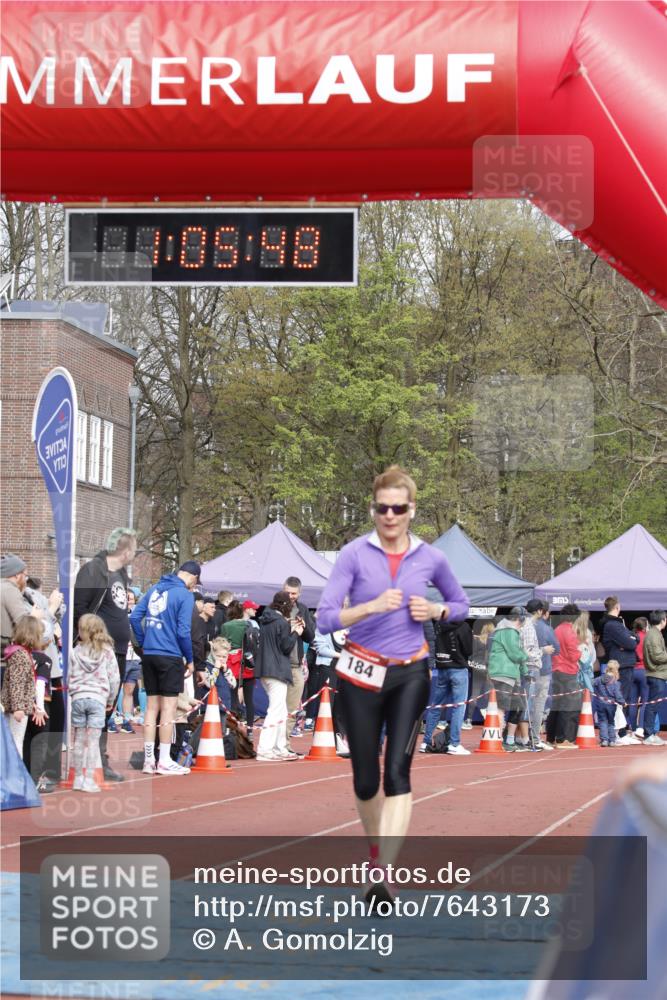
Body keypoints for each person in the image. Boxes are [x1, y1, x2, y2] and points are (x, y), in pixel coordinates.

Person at [317, 466, 469, 902]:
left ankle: (382, 875)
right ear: (373, 509)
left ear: (411, 510)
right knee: (366, 780)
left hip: (410, 673)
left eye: (398, 508)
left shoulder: (431, 558)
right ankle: (374, 855)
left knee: (397, 773)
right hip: (361, 671)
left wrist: (436, 611)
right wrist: (367, 608)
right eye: (382, 508)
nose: (389, 515)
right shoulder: (352, 555)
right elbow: (326, 618)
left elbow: (461, 604)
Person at [73, 528, 138, 780]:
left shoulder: (120, 575)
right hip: (98, 649)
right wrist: (90, 639)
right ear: (126, 551)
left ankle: (99, 759)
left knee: (108, 707)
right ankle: (90, 761)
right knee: (95, 705)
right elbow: (80, 607)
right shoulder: (94, 570)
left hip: (119, 650)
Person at [130, 560, 200, 776]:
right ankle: (164, 760)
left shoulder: (154, 588)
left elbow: (134, 617)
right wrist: (189, 658)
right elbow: (183, 630)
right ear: (193, 578)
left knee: (151, 708)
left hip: (150, 654)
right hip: (170, 655)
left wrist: (143, 643)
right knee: (168, 709)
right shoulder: (185, 595)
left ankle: (149, 760)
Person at [68, 614, 120, 793]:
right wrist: (111, 700)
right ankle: (89, 780)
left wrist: (73, 691)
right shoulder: (106, 651)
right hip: (98, 698)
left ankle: (77, 778)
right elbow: (114, 678)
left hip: (78, 697)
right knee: (93, 741)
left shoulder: (76, 650)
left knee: (79, 739)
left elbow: (69, 674)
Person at [255, 591, 304, 761]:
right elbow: (286, 647)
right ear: (285, 606)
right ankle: (265, 749)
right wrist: (296, 632)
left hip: (264, 670)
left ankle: (278, 747)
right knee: (276, 711)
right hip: (277, 670)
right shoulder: (281, 622)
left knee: (281, 710)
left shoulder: (266, 620)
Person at [420, 618, 473, 755]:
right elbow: (468, 649)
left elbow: (433, 642)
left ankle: (425, 742)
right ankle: (454, 744)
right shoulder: (463, 625)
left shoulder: (438, 624)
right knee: (459, 706)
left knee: (436, 706)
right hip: (458, 668)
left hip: (442, 668)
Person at [1, 616, 48, 759]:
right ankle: (16, 777)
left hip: (17, 704)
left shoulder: (19, 653)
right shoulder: (21, 655)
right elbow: (17, 683)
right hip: (16, 708)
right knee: (16, 743)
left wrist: (29, 702)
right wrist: (19, 707)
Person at [486, 608, 530, 752]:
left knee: (518, 707)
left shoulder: (510, 631)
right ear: (520, 619)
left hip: (511, 674)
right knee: (502, 707)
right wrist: (527, 656)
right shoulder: (508, 631)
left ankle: (509, 739)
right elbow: (515, 654)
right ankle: (497, 738)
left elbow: (516, 655)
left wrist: (525, 671)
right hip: (503, 673)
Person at [545, 604, 585, 748]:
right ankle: (564, 739)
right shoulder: (570, 632)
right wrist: (581, 651)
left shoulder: (556, 630)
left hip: (556, 669)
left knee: (556, 706)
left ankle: (551, 737)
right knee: (569, 707)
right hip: (567, 671)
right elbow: (574, 655)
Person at [599, 595, 639, 740]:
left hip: (623, 663)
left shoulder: (616, 623)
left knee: (623, 698)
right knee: (621, 698)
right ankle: (620, 733)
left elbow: (633, 638)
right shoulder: (613, 625)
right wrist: (630, 640)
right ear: (617, 607)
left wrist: (631, 638)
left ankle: (621, 731)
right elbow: (632, 643)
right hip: (622, 665)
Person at [282, 577, 316, 747]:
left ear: (299, 593)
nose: (290, 596)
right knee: (277, 708)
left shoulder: (303, 609)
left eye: (294, 593)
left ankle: (285, 744)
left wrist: (304, 628)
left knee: (292, 709)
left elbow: (311, 636)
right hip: (279, 664)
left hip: (296, 665)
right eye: (288, 592)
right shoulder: (275, 608)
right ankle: (273, 744)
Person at [221, 600, 258, 738]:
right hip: (248, 662)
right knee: (249, 699)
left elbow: (222, 644)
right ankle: (249, 730)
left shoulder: (226, 626)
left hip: (232, 662)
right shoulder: (250, 624)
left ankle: (233, 728)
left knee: (232, 696)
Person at [527, 599, 559, 750]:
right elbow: (557, 648)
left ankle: (518, 736)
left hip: (524, 668)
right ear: (542, 612)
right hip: (542, 668)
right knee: (539, 705)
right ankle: (534, 737)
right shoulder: (545, 628)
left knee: (524, 704)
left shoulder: (522, 624)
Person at [643, 610, 667, 746]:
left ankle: (651, 734)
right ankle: (648, 735)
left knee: (654, 705)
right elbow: (657, 656)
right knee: (653, 706)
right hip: (656, 674)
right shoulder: (653, 635)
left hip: (658, 674)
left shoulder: (655, 634)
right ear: (662, 620)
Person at [593, 660, 624, 747]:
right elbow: (618, 695)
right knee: (611, 722)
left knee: (602, 721)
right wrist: (622, 702)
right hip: (611, 705)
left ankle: (604, 740)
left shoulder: (599, 679)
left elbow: (592, 683)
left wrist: (596, 691)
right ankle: (612, 740)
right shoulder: (616, 682)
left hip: (600, 703)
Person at [629, 617, 649, 738]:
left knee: (632, 702)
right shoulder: (647, 637)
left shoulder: (631, 637)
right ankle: (641, 728)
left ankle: (632, 729)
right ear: (645, 626)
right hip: (644, 671)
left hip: (632, 671)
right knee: (645, 701)